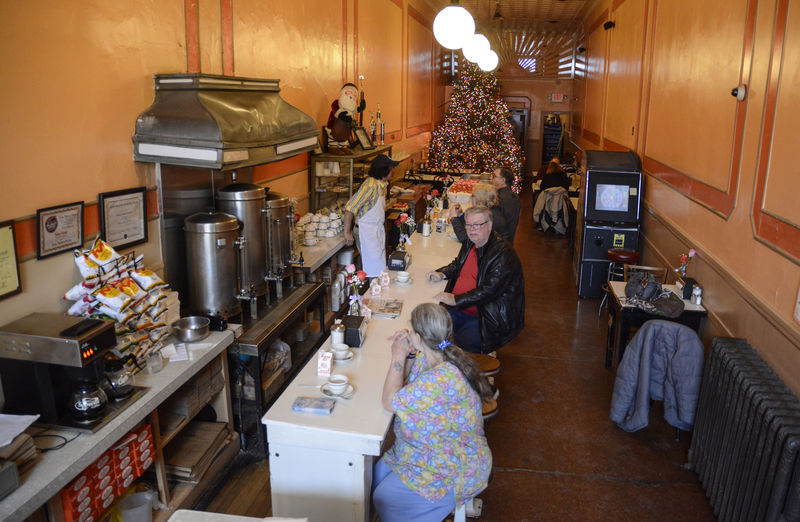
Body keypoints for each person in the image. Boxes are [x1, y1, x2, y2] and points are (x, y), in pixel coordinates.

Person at [373, 303, 492, 522]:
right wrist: (409, 355)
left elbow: (390, 401)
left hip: (452, 465)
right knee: (376, 474)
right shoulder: (437, 357)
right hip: (429, 448)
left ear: (419, 337)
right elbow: (405, 386)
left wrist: (397, 355)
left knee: (384, 497)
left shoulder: (440, 378)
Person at [427, 206, 525, 354]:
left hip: (486, 318)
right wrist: (442, 273)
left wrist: (455, 299)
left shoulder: (502, 254)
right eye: (468, 224)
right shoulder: (471, 242)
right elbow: (458, 264)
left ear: (489, 225)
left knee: (459, 346)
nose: (472, 229)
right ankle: (443, 358)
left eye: (477, 225)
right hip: (460, 309)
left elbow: (489, 290)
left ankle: (456, 362)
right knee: (433, 332)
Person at [344, 154, 398, 276]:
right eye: (391, 169)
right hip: (366, 232)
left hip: (374, 230)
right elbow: (349, 208)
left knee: (377, 267)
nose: (393, 171)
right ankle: (373, 287)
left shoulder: (381, 184)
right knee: (373, 268)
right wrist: (347, 232)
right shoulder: (370, 186)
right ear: (383, 171)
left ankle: (375, 285)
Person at [491, 167, 521, 244]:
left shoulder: (499, 199)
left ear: (503, 180)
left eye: (494, 176)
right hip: (508, 242)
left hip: (500, 243)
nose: (491, 178)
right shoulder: (514, 196)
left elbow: (497, 226)